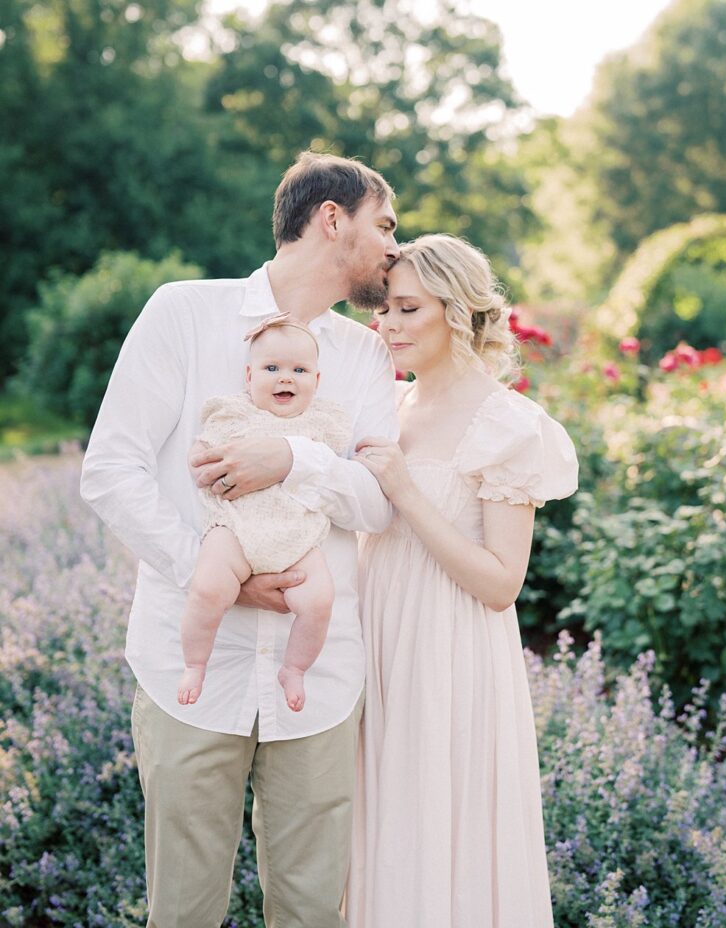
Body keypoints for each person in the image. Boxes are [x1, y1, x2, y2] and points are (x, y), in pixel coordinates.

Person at [80, 151, 399, 928]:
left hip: (317, 678)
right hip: (188, 668)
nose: (395, 247)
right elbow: (110, 469)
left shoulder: (365, 356)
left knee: (312, 912)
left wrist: (293, 457)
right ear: (333, 219)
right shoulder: (181, 313)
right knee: (183, 912)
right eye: (385, 225)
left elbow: (379, 502)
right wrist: (209, 575)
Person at [346, 234, 579, 928]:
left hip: (450, 657)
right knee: (376, 827)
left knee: (442, 826)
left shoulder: (505, 425)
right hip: (373, 645)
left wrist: (406, 492)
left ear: (459, 312)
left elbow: (503, 582)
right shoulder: (382, 405)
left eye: (407, 308)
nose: (387, 325)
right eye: (383, 309)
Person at [179, 313, 352, 712]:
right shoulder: (235, 413)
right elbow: (204, 452)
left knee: (319, 600)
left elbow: (336, 463)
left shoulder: (322, 421)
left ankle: (294, 667)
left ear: (317, 380)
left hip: (298, 536)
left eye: (299, 370)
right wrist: (199, 458)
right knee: (208, 588)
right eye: (271, 368)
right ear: (249, 375)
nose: (285, 378)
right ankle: (194, 663)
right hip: (237, 527)